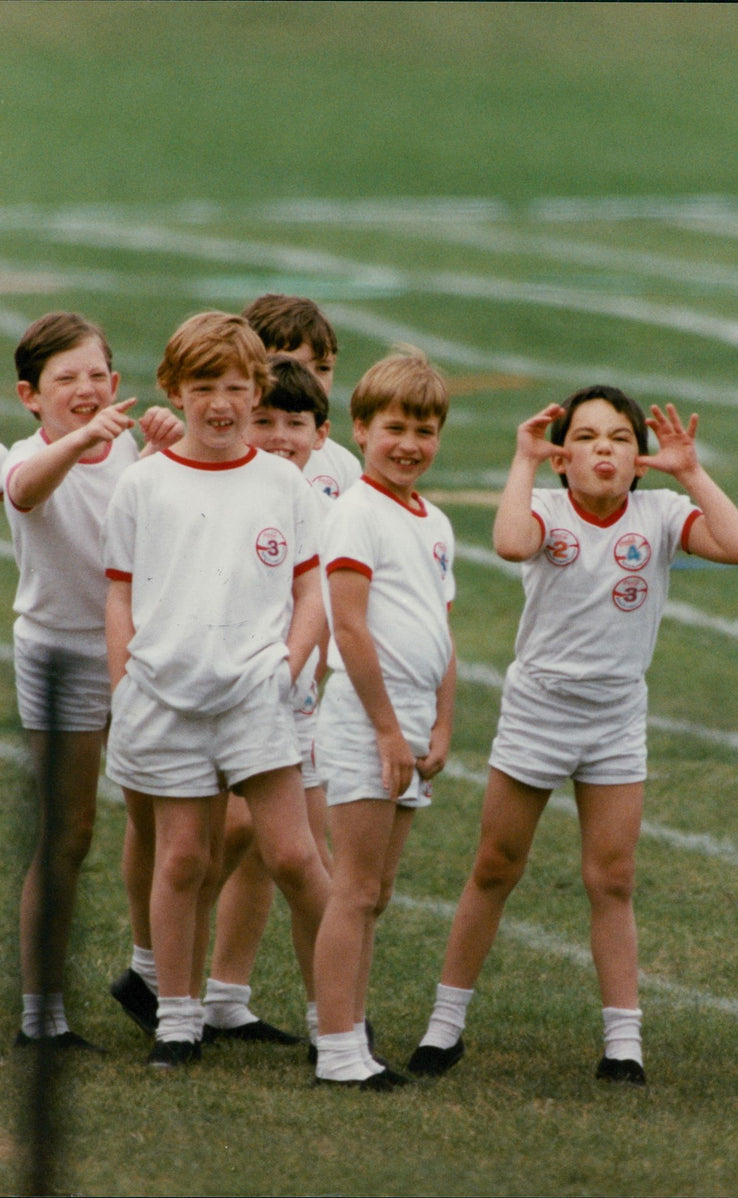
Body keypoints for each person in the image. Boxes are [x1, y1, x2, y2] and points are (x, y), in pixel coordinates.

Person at [408, 386, 738, 1087]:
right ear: (564, 458)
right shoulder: (542, 507)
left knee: (613, 877)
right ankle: (444, 1026)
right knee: (496, 866)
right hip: (538, 709)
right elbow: (510, 543)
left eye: (622, 438)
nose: (606, 448)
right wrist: (522, 460)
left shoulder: (659, 513)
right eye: (589, 437)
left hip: (616, 717)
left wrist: (689, 472)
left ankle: (623, 1042)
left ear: (639, 460)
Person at [103, 311, 331, 1067]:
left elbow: (309, 593)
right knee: (181, 860)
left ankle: (337, 1018)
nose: (223, 403)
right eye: (204, 386)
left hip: (255, 700)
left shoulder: (281, 484)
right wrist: (123, 682)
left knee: (296, 858)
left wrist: (286, 668)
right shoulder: (143, 484)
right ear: (174, 388)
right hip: (164, 697)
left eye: (237, 386)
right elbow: (119, 594)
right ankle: (177, 1018)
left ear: (257, 386)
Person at [1, 311, 182, 1049]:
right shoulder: (29, 452)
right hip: (61, 659)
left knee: (162, 820)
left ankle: (156, 982)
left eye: (97, 376)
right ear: (30, 395)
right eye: (65, 380)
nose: (85, 390)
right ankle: (40, 1013)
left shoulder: (129, 448)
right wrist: (84, 439)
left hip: (139, 653)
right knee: (68, 834)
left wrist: (170, 449)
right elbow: (26, 492)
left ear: (117, 380)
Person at [312, 349, 457, 1089]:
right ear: (362, 430)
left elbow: (443, 633)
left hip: (408, 723)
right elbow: (350, 629)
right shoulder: (355, 511)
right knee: (356, 888)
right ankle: (337, 1046)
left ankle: (353, 1036)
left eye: (426, 429)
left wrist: (441, 724)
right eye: (396, 426)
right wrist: (387, 729)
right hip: (368, 719)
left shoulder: (434, 519)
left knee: (379, 891)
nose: (410, 443)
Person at [202, 356, 334, 1049]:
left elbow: (319, 599)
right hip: (239, 694)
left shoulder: (318, 485)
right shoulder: (230, 483)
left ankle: (322, 1016)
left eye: (296, 420)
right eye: (267, 418)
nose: (281, 433)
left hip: (292, 695)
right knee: (255, 851)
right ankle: (176, 993)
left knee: (296, 857)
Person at [241, 293, 361, 496]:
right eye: (294, 366)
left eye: (323, 368)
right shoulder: (221, 452)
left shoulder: (342, 465)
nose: (312, 380)